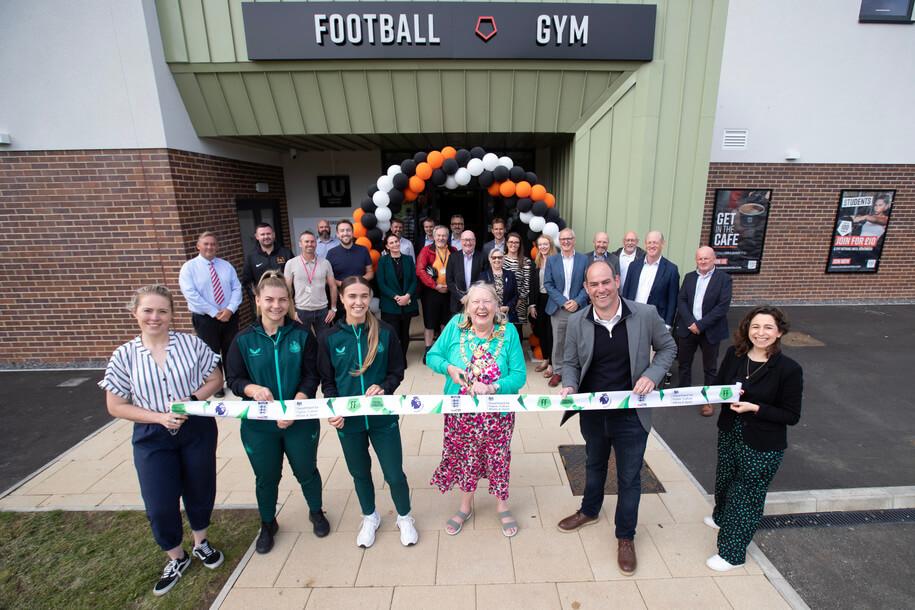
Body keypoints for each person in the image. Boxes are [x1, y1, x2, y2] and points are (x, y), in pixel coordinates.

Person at [99, 285, 225, 596]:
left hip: (195, 427)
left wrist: (193, 398)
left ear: (171, 314)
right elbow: (115, 405)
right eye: (148, 311)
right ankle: (175, 555)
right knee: (159, 499)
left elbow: (215, 378)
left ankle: (201, 542)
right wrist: (158, 417)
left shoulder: (190, 344)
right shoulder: (125, 355)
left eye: (162, 311)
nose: (155, 317)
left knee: (200, 485)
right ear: (135, 314)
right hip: (152, 435)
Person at [556, 260, 677, 577]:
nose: (601, 289)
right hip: (594, 413)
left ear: (617, 281)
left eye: (605, 282)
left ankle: (625, 536)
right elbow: (569, 362)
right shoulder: (577, 320)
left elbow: (668, 348)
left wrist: (652, 374)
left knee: (629, 477)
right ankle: (589, 510)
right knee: (593, 464)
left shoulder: (645, 314)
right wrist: (569, 383)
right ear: (586, 289)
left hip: (631, 416)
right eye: (593, 285)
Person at [225, 270, 329, 554]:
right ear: (257, 300)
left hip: (300, 420)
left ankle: (316, 511)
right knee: (267, 476)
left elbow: (312, 375)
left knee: (306, 470)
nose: (276, 305)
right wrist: (251, 389)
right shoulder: (243, 340)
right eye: (269, 299)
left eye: (282, 300)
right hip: (260, 425)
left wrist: (298, 402)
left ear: (289, 301)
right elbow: (233, 379)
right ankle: (268, 522)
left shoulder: (301, 335)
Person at [317, 276, 418, 548]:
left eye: (363, 296)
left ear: (370, 297)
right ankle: (370, 516)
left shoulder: (385, 332)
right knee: (360, 472)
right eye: (352, 296)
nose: (358, 302)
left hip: (382, 418)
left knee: (394, 473)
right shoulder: (329, 337)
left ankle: (404, 516)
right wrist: (333, 409)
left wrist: (384, 387)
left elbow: (397, 371)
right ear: (341, 299)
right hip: (348, 422)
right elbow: (327, 382)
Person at [703, 306, 803, 572]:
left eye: (768, 327)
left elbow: (792, 415)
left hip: (763, 443)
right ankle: (721, 516)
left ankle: (732, 553)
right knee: (725, 478)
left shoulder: (788, 369)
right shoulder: (734, 355)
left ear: (779, 332)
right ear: (747, 329)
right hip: (730, 430)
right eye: (756, 326)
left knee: (745, 494)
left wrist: (755, 408)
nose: (761, 333)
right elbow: (720, 386)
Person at [427, 282, 527, 537]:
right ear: (467, 306)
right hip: (460, 414)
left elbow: (518, 376)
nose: (481, 307)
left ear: (496, 306)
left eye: (487, 302)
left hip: (497, 416)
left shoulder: (509, 332)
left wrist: (493, 387)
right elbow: (432, 356)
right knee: (466, 459)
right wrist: (449, 368)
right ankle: (465, 505)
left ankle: (502, 505)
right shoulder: (455, 326)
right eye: (475, 302)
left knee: (499, 458)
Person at [178, 231, 242, 398]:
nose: (210, 247)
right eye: (206, 244)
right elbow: (191, 294)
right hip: (205, 318)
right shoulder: (189, 268)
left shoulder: (226, 266)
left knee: (231, 349)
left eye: (213, 244)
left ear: (217, 246)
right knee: (211, 352)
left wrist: (230, 309)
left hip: (229, 315)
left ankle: (233, 379)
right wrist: (214, 312)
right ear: (198, 246)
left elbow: (237, 288)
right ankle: (216, 384)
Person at [676, 246, 732, 407]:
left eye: (706, 258)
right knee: (684, 363)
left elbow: (722, 307)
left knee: (710, 367)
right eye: (700, 258)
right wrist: (690, 323)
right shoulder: (689, 277)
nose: (702, 261)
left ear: (713, 259)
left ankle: (708, 401)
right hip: (688, 328)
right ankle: (684, 393)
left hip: (710, 330)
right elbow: (682, 300)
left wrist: (700, 325)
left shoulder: (724, 279)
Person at [543, 228, 589, 387]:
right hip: (558, 308)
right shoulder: (552, 260)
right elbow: (548, 284)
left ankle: (578, 371)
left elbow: (588, 284)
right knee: (559, 342)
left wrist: (577, 301)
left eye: (569, 238)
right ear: (559, 242)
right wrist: (563, 301)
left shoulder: (584, 260)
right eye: (563, 239)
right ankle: (558, 372)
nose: (566, 242)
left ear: (574, 240)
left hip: (579, 308)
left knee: (579, 341)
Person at [621, 231, 679, 328]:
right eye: (649, 242)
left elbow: (672, 300)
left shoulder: (671, 269)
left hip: (655, 320)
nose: (652, 246)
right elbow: (626, 292)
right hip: (632, 316)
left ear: (662, 244)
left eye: (655, 242)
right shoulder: (634, 266)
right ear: (645, 244)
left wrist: (668, 324)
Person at [284, 230, 337, 337]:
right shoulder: (291, 263)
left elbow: (333, 286)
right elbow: (287, 289)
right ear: (300, 243)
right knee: (304, 343)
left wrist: (333, 308)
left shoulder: (325, 263)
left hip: (322, 311)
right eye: (306, 241)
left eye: (312, 241)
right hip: (301, 311)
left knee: (324, 342)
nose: (310, 244)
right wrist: (291, 311)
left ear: (316, 243)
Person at [377, 232, 418, 363]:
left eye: (396, 241)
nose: (395, 244)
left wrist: (407, 296)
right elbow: (381, 283)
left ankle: (402, 358)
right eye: (391, 243)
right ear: (387, 246)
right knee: (391, 334)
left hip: (407, 303)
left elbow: (414, 280)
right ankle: (393, 360)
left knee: (404, 333)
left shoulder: (408, 259)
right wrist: (396, 297)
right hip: (390, 304)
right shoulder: (383, 261)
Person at [416, 225, 455, 362]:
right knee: (430, 323)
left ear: (448, 237)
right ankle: (428, 351)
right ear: (434, 236)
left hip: (449, 292)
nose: (441, 238)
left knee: (446, 322)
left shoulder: (453, 250)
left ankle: (443, 351)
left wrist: (451, 286)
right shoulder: (426, 251)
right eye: (438, 235)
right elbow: (420, 270)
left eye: (444, 235)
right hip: (431, 292)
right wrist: (435, 285)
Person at [326, 219, 374, 320]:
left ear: (352, 233)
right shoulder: (331, 253)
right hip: (341, 299)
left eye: (348, 230)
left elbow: (370, 273)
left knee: (362, 326)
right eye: (342, 231)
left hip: (360, 298)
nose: (345, 233)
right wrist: (344, 284)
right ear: (338, 234)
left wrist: (357, 282)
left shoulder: (363, 250)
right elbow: (328, 278)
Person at [241, 223, 293, 298]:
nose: (266, 236)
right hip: (263, 301)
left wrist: (290, 294)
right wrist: (255, 296)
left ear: (273, 235)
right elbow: (247, 282)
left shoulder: (286, 253)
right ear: (257, 237)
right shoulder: (251, 257)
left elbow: (294, 275)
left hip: (284, 298)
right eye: (262, 234)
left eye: (268, 234)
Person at [529, 235, 556, 377]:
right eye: (541, 244)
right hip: (540, 300)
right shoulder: (537, 262)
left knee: (551, 332)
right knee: (542, 331)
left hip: (552, 300)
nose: (543, 247)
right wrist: (532, 305)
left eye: (546, 244)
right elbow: (533, 286)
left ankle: (552, 364)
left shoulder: (557, 261)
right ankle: (545, 359)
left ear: (550, 245)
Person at [446, 230, 488, 314]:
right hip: (458, 302)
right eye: (465, 240)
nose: (468, 243)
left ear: (475, 241)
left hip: (477, 303)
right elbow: (449, 281)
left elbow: (485, 280)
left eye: (470, 240)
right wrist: (461, 297)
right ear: (461, 241)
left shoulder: (483, 257)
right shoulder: (453, 257)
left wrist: (474, 297)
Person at [502, 232, 533, 342]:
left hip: (519, 303)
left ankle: (517, 356)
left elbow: (526, 284)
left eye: (516, 242)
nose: (513, 244)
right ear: (506, 243)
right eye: (511, 242)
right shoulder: (500, 259)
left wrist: (517, 302)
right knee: (501, 330)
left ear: (520, 244)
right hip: (502, 302)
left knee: (516, 330)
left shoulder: (525, 261)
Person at [481, 248, 519, 334]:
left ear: (503, 259)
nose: (497, 260)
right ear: (490, 259)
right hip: (489, 314)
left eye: (499, 257)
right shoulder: (483, 276)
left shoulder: (510, 275)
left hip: (507, 314)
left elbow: (516, 295)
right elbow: (481, 296)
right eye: (494, 258)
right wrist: (494, 308)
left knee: (507, 338)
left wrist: (507, 307)